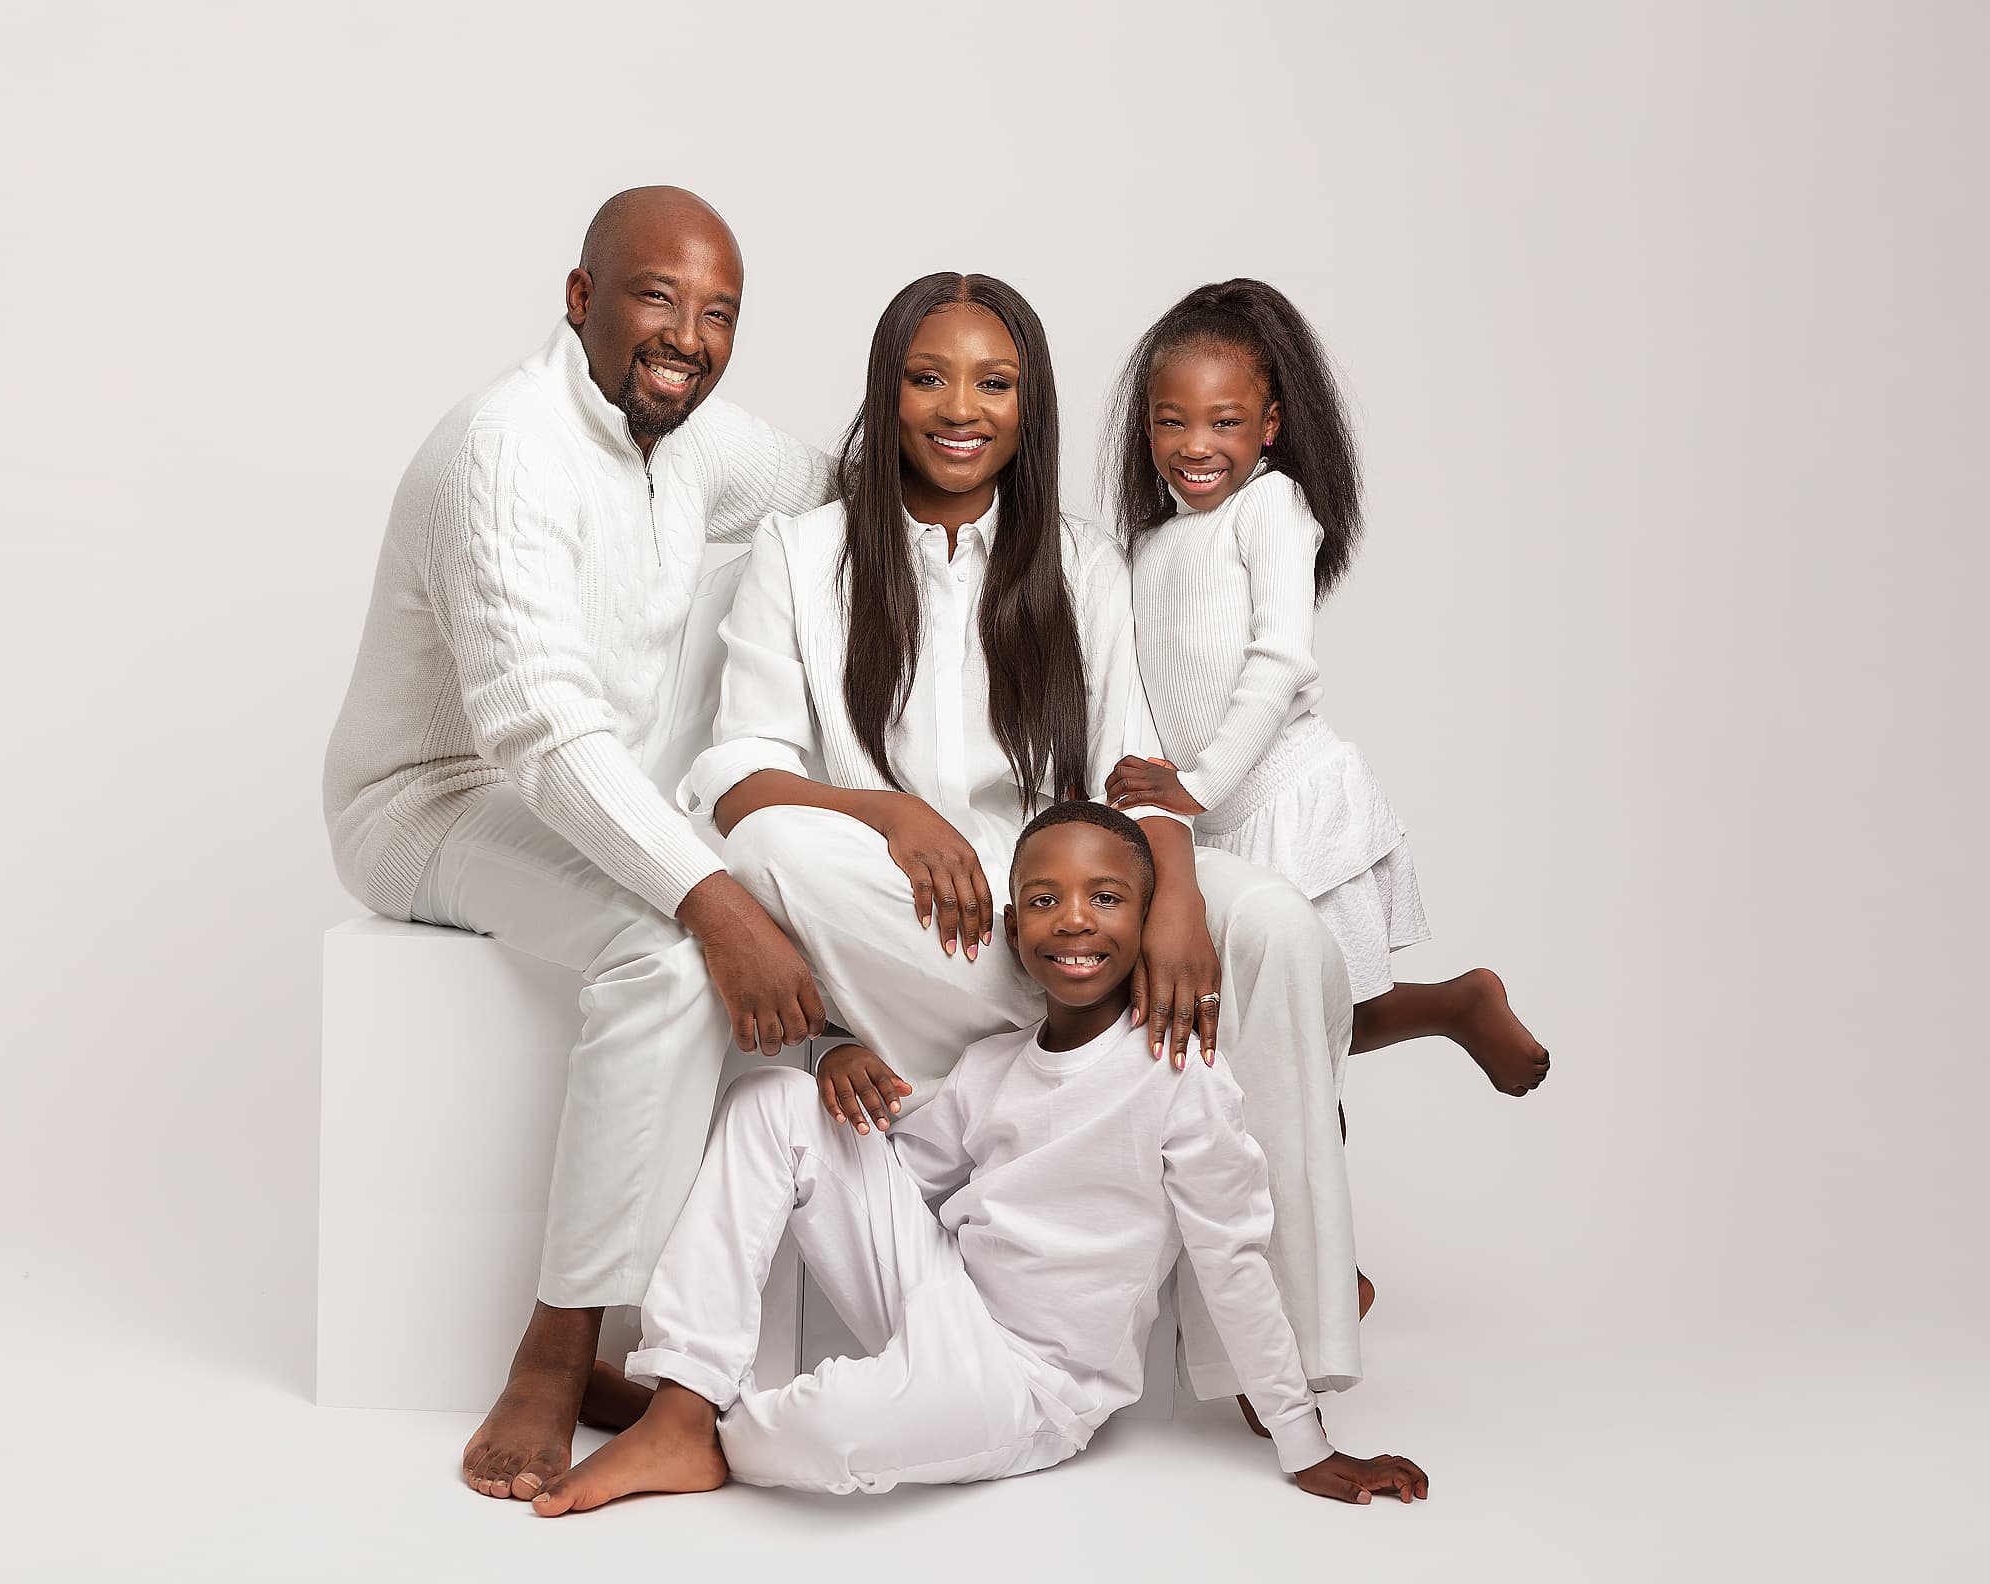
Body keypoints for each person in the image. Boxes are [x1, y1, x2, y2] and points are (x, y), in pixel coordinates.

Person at [679, 272, 1365, 1435]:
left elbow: (1129, 770)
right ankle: (1045, 1062)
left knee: (1275, 929)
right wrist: (888, 815)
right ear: (887, 393)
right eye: (928, 378)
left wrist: (1173, 897)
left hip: (1072, 900)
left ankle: (1282, 1358)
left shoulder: (1081, 561)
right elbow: (737, 775)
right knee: (776, 845)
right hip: (908, 906)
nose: (961, 408)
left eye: (993, 383)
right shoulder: (802, 553)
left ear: (1027, 403)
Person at [322, 186, 835, 1503]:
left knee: (794, 559)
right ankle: (558, 1350)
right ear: (580, 298)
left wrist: (1012, 512)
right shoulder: (504, 448)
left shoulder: (692, 435)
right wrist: (714, 897)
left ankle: (628, 1339)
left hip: (587, 781)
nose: (689, 337)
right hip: (427, 800)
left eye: (719, 313)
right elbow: (540, 732)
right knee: (667, 955)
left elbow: (836, 485)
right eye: (658, 296)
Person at [531, 803, 1429, 1512]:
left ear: (1148, 917)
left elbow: (1234, 1262)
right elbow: (896, 1176)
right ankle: (684, 1395)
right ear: (1012, 925)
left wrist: (1305, 1444)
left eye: (1106, 898)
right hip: (943, 1290)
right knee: (774, 1099)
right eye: (1044, 900)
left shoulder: (1180, 1073)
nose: (1073, 920)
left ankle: (704, 1426)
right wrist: (840, 1060)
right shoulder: (992, 1064)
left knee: (834, 1435)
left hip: (1029, 1386)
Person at [1104, 278, 1551, 1131]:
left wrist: (1197, 783)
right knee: (1250, 1034)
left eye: (1225, 422)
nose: (1196, 444)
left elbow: (1279, 658)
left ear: (1269, 425)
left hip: (1284, 794)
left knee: (1316, 1021)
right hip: (1209, 823)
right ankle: (1318, 1167)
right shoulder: (1149, 545)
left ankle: (1457, 1005)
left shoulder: (1270, 504)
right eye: (1172, 421)